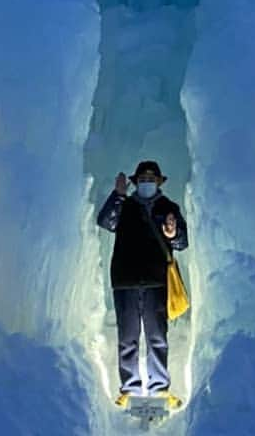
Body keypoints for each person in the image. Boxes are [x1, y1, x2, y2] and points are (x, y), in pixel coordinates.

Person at [96, 160, 188, 408]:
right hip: (125, 280)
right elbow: (105, 222)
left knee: (157, 336)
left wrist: (172, 234)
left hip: (156, 281)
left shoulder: (169, 207)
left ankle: (159, 388)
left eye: (152, 178)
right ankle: (129, 388)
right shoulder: (124, 205)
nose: (147, 182)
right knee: (128, 337)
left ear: (159, 182)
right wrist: (118, 195)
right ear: (136, 182)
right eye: (143, 178)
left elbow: (182, 242)